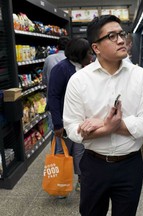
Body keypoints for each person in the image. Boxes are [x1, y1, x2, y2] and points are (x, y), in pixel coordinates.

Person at [63, 15, 143, 216]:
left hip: (130, 165)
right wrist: (107, 128)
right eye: (112, 36)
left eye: (121, 34)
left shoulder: (141, 77)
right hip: (94, 165)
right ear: (96, 48)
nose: (121, 40)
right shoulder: (78, 81)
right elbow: (72, 128)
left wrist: (113, 124)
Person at [47, 37, 93, 194]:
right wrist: (58, 124)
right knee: (62, 152)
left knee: (81, 152)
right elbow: (53, 97)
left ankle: (81, 181)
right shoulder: (61, 69)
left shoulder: (85, 68)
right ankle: (60, 185)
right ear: (79, 54)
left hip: (81, 120)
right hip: (64, 122)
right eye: (88, 53)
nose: (91, 56)